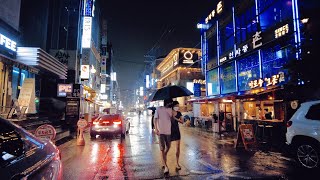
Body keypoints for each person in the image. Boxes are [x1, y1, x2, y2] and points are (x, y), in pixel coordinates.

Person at [154, 99, 173, 174]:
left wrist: (171, 111)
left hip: (168, 132)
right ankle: (165, 166)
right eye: (170, 102)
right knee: (162, 148)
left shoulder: (170, 109)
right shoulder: (158, 109)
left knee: (168, 147)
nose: (170, 104)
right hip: (161, 132)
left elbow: (172, 118)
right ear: (166, 102)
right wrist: (156, 129)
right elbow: (155, 119)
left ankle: (163, 157)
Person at [171, 101, 184, 170]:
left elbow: (182, 122)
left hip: (176, 131)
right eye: (176, 105)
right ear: (173, 106)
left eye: (178, 106)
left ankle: (177, 163)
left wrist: (175, 118)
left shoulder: (179, 113)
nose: (177, 107)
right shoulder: (169, 112)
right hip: (169, 131)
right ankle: (164, 162)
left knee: (178, 148)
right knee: (167, 148)